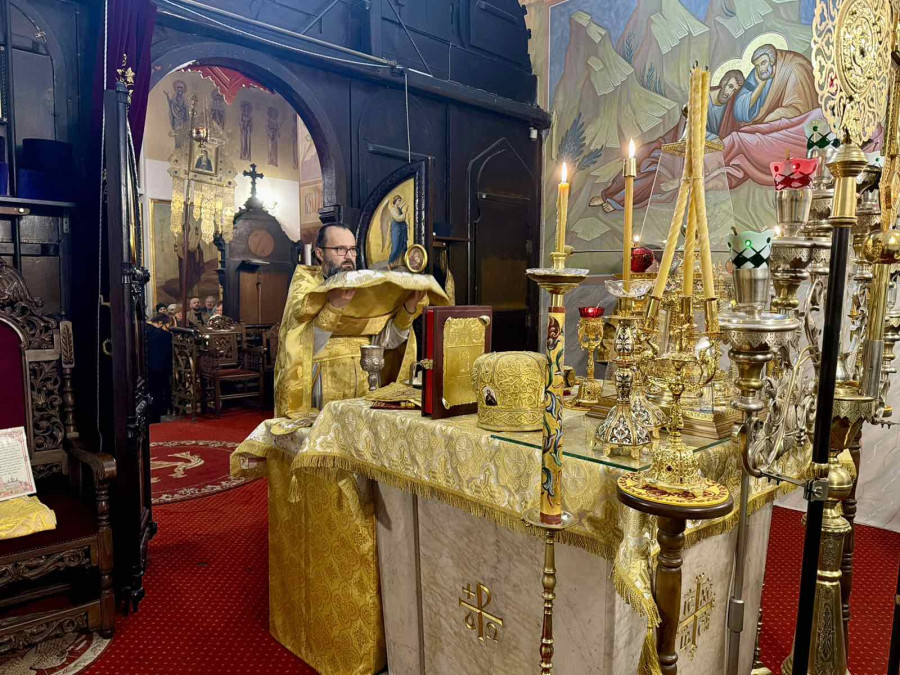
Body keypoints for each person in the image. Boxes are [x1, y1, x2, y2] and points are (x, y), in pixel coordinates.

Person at [275, 222, 425, 414]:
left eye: (352, 249)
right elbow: (300, 347)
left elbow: (387, 343)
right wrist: (333, 307)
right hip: (323, 386)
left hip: (366, 383)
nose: (348, 256)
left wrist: (408, 308)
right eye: (340, 249)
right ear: (320, 253)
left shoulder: (368, 287)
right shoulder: (306, 288)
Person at [146, 313, 173, 423]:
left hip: (147, 368)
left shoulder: (144, 330)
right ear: (161, 323)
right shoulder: (165, 335)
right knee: (159, 394)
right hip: (161, 368)